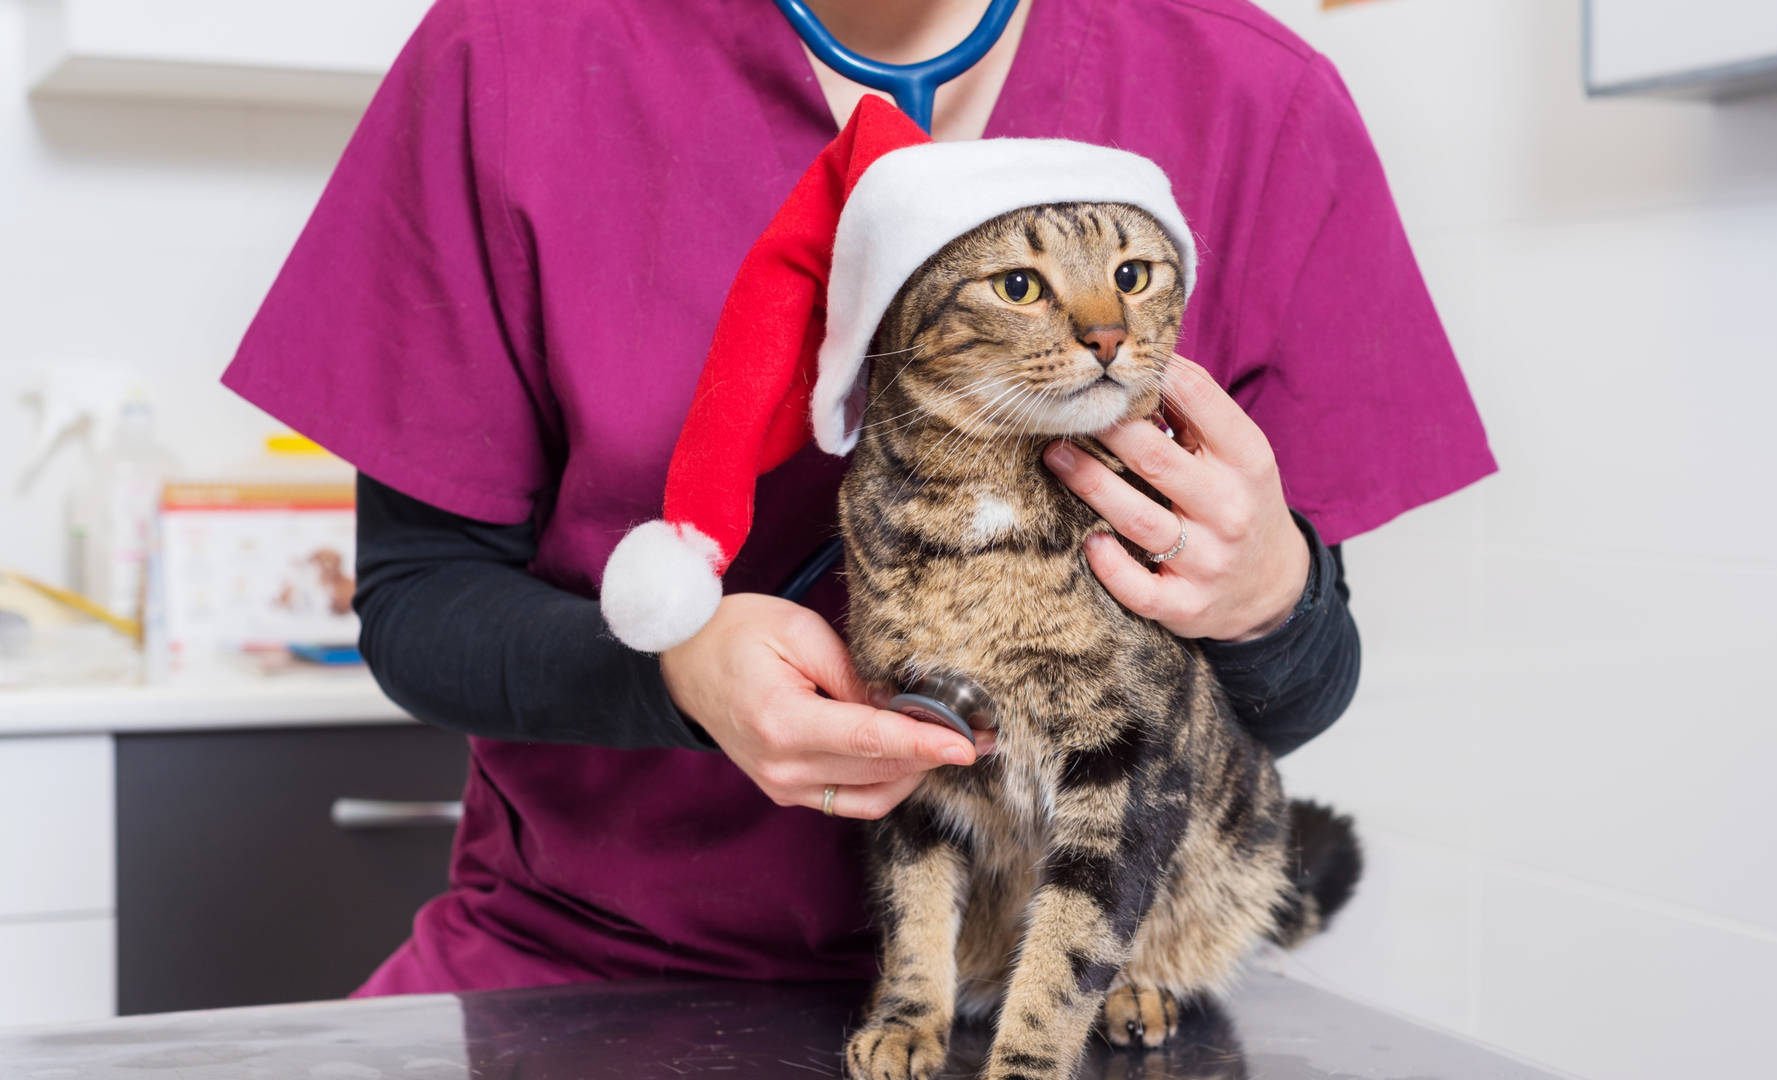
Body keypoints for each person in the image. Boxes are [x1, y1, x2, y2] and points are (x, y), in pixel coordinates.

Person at [222, 0, 1494, 995]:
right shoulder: (505, 61)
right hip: (597, 968)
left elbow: (1301, 691)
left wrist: (1275, 596)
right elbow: (416, 607)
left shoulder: (1251, 99)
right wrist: (672, 671)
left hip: (1063, 979)